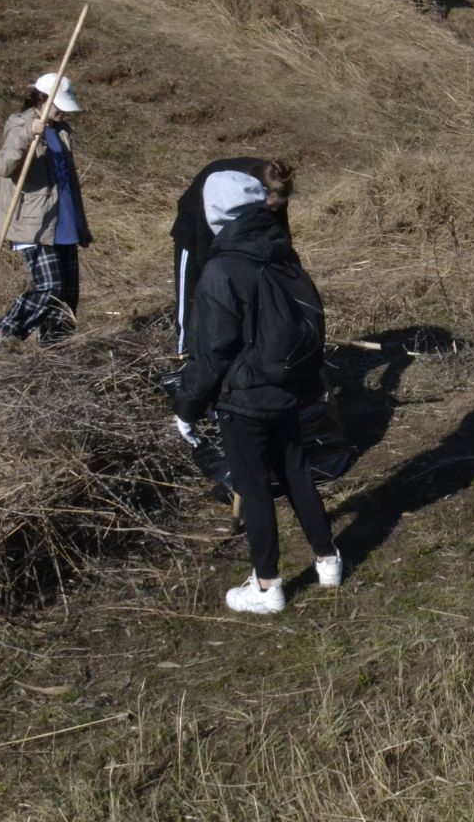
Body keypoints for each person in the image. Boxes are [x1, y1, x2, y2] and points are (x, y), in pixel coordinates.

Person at [173, 166, 342, 615]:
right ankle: (328, 559)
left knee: (253, 488)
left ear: (215, 215)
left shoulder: (221, 269)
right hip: (287, 386)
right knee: (296, 472)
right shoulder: (282, 253)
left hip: (244, 399)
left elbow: (211, 354)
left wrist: (186, 406)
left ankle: (267, 585)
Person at [0, 73, 92, 357]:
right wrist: (29, 134)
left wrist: (79, 223)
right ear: (41, 99)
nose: (62, 111)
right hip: (34, 223)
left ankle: (56, 356)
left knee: (66, 298)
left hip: (63, 223)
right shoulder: (20, 125)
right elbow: (3, 167)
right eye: (57, 105)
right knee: (50, 287)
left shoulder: (61, 131)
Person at [171, 157, 293, 354]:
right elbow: (206, 252)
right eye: (271, 206)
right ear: (259, 192)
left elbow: (279, 239)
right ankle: (184, 351)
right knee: (191, 290)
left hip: (234, 229)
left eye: (279, 206)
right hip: (196, 228)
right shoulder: (216, 186)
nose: (275, 210)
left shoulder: (275, 183)